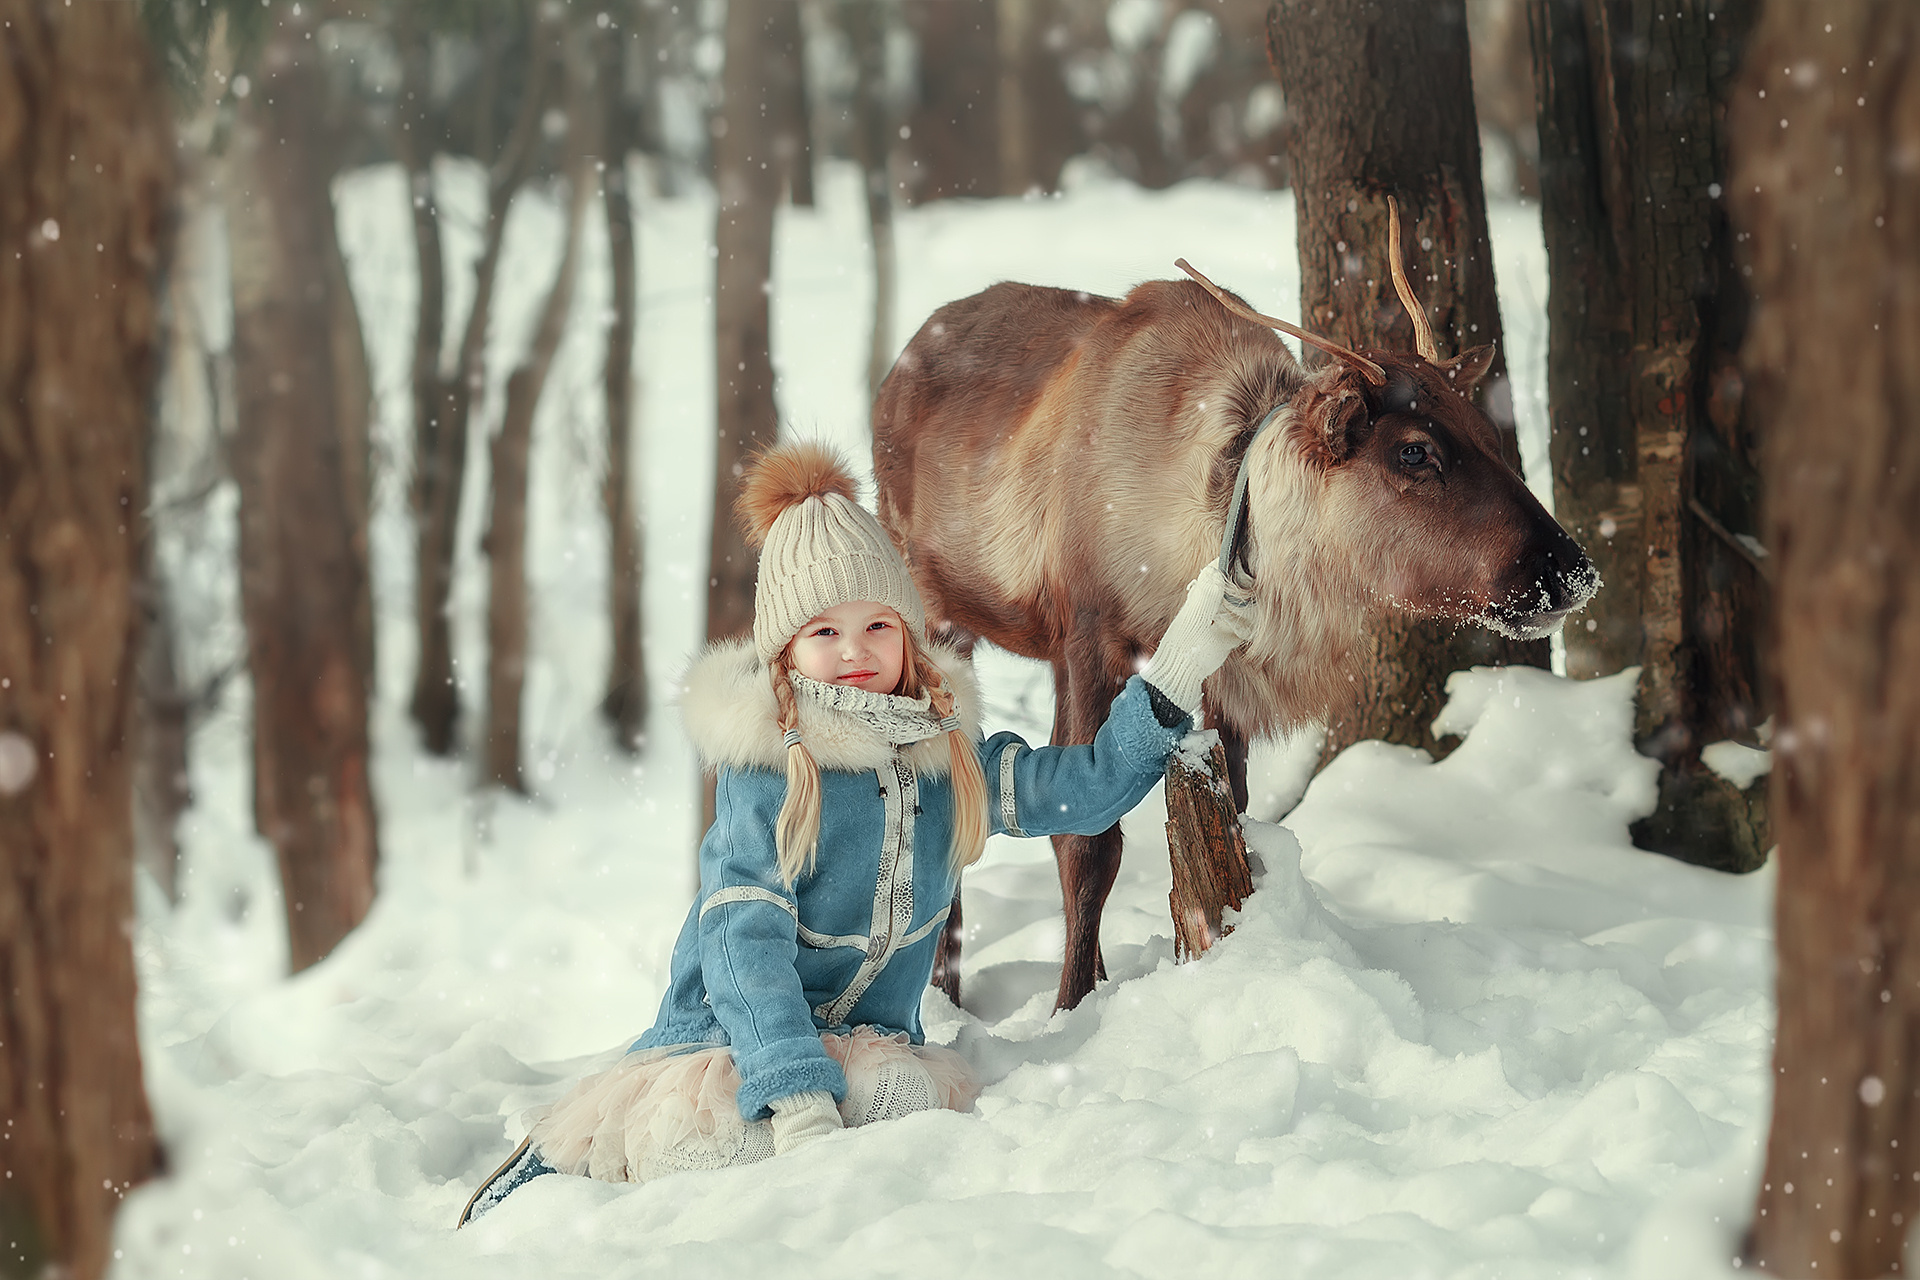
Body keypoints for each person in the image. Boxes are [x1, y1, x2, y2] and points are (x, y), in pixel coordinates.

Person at [457, 442, 1252, 1225]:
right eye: (824, 632)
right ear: (786, 652)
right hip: (734, 1041)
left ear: (908, 633)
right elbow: (742, 943)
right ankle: (576, 1164)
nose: (854, 652)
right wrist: (795, 1089)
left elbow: (1084, 792)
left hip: (867, 1045)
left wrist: (1180, 666)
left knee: (900, 1107)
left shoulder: (947, 756)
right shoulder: (770, 769)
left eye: (876, 624)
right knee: (731, 1140)